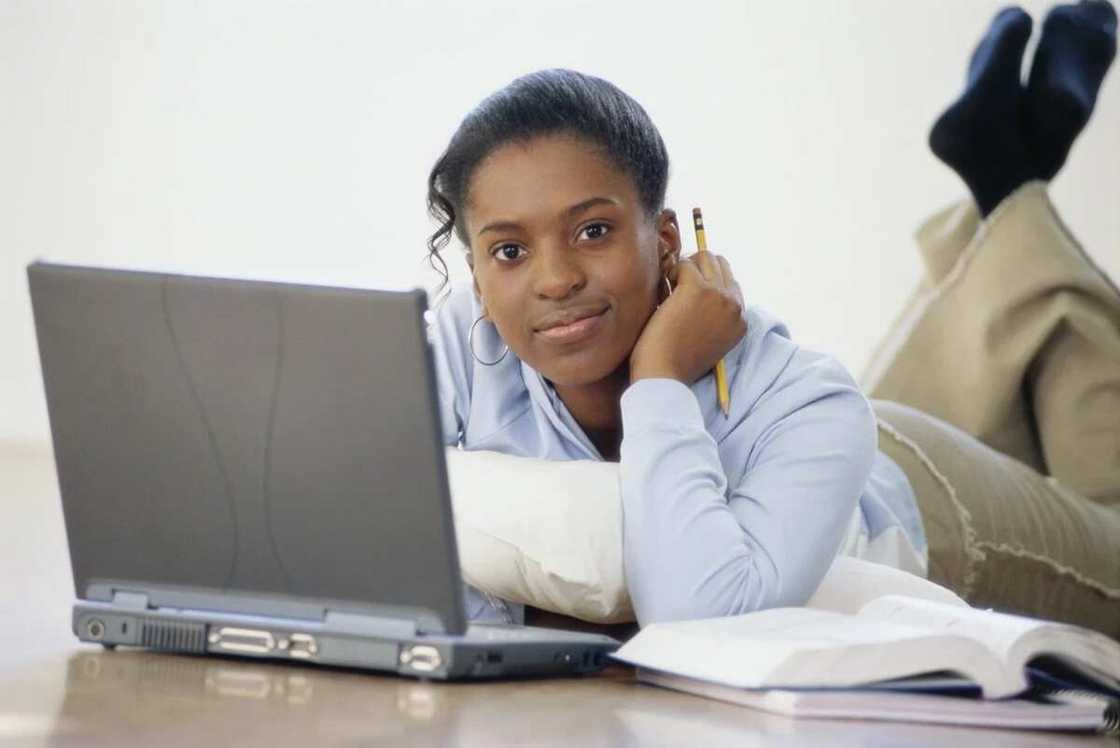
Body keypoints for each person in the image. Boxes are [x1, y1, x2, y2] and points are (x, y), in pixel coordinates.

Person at [423, 2, 1120, 637]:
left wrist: (659, 380)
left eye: (594, 231)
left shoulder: (807, 396)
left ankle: (1004, 180)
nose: (555, 279)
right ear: (478, 277)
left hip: (934, 512)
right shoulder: (457, 348)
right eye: (509, 250)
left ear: (665, 239)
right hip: (830, 447)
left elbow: (702, 621)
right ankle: (1003, 173)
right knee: (1000, 359)